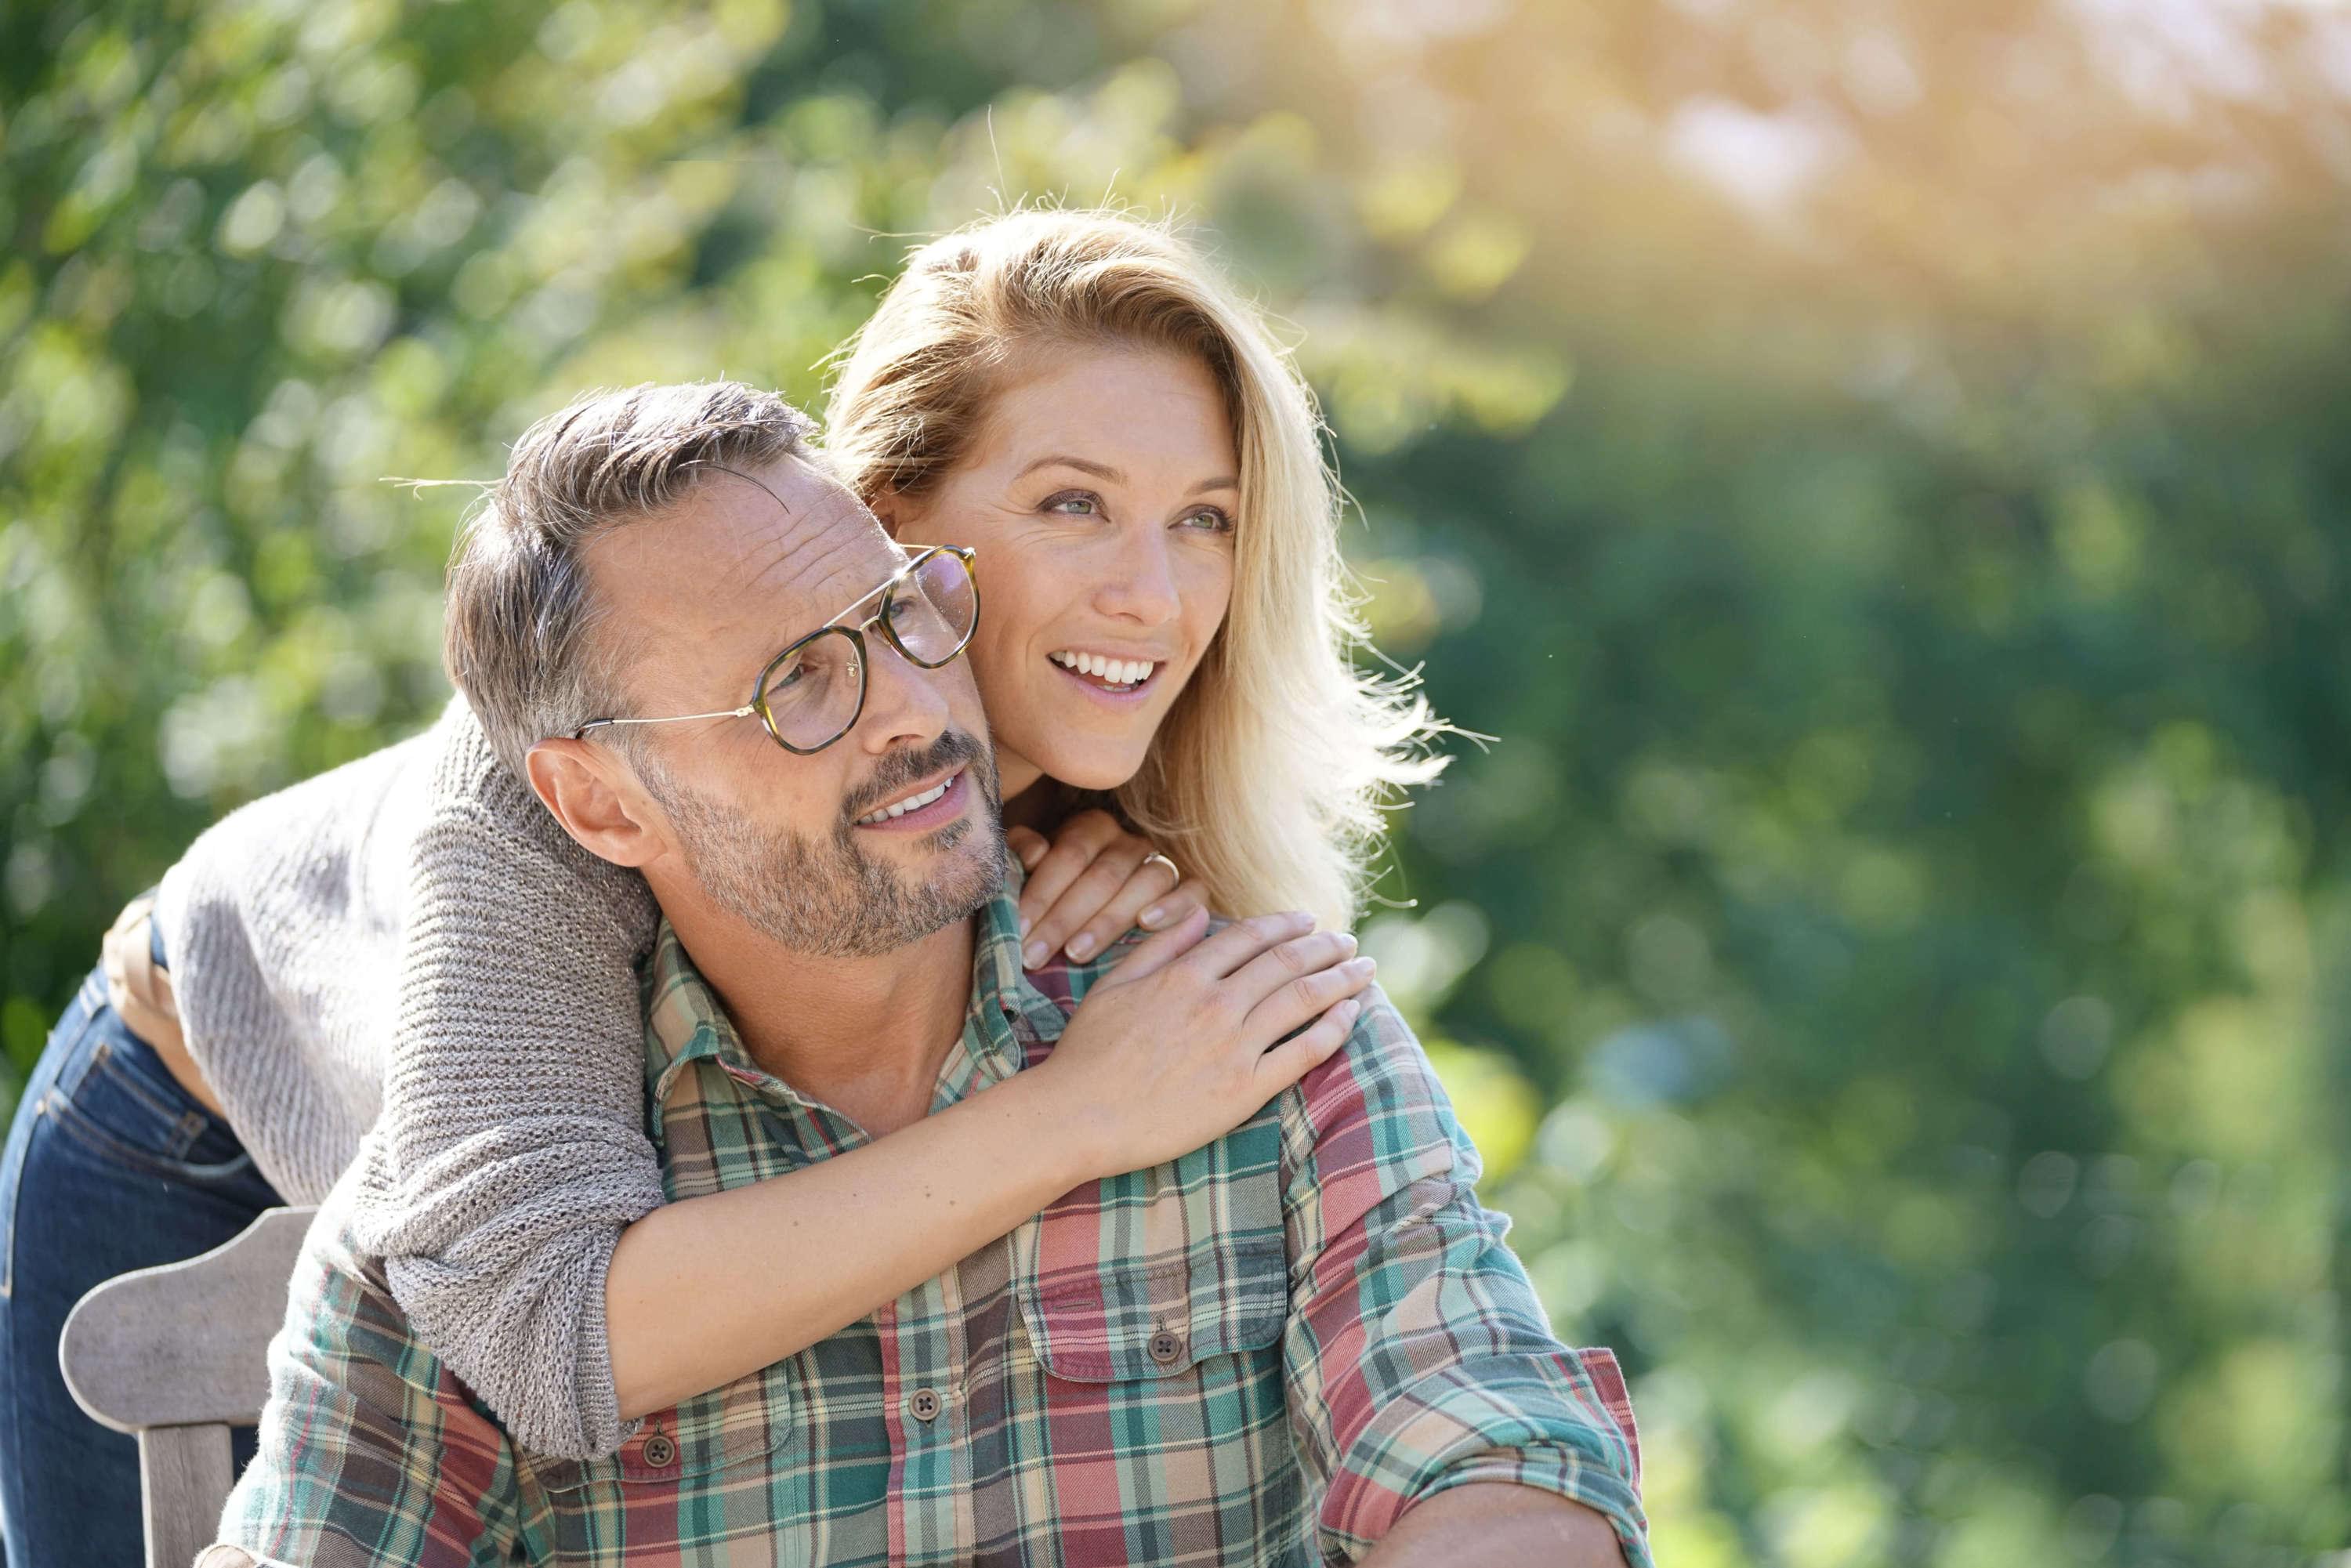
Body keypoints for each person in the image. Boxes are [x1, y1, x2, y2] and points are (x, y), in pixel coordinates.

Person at [0, 209, 1459, 1564]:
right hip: (186, 1107)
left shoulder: (1067, 784)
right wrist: (1082, 1107)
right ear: (886, 515)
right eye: (1074, 503)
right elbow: (545, 1326)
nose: (1154, 589)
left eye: (1206, 517)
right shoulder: (540, 806)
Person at [203, 378, 1650, 1566]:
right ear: (599, 803)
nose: (911, 707)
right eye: (797, 682)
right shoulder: (490, 1201)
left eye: (902, 613)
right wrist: (1073, 1115)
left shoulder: (1245, 1034)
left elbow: (1501, 1453)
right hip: (182, 1067)